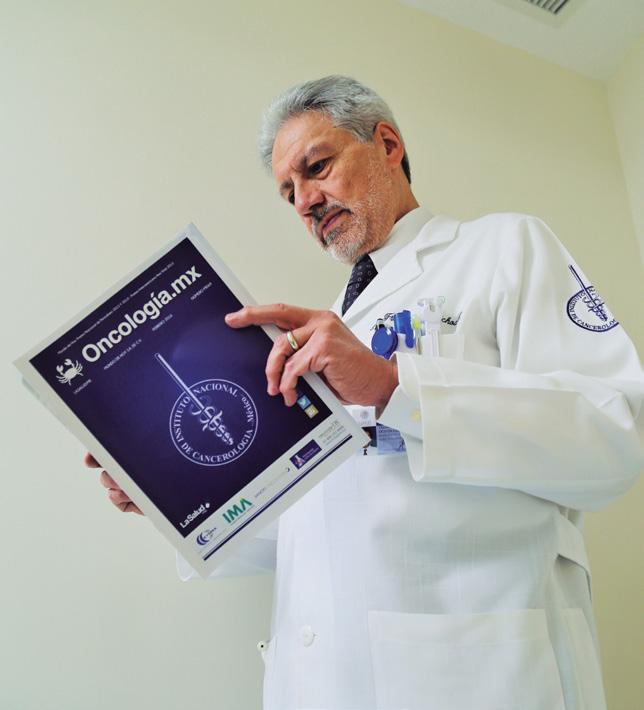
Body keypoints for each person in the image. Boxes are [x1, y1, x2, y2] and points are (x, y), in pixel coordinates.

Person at [86, 76, 644, 710]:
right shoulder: (323, 333)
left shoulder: (503, 247)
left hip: (477, 676)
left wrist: (394, 386)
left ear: (387, 145)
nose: (304, 201)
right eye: (288, 192)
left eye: (316, 167)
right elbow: (309, 526)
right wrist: (169, 497)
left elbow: (616, 433)